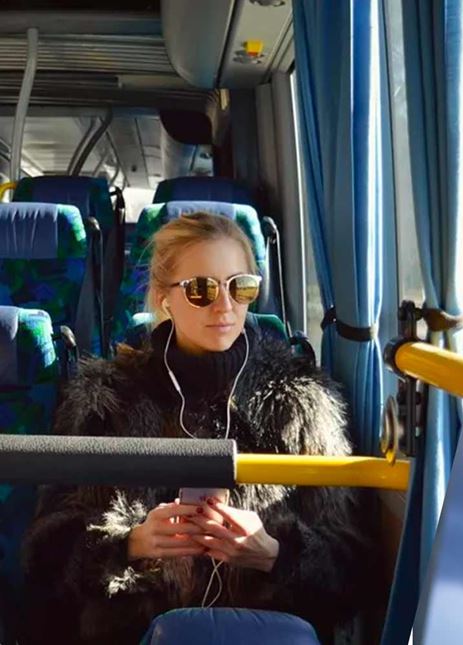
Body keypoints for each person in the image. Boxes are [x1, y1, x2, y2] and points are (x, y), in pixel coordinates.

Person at [20, 213, 376, 644]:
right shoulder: (104, 400)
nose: (225, 307)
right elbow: (44, 555)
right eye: (201, 290)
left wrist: (274, 555)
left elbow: (353, 567)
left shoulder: (300, 402)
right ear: (164, 297)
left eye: (240, 286)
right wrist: (130, 545)